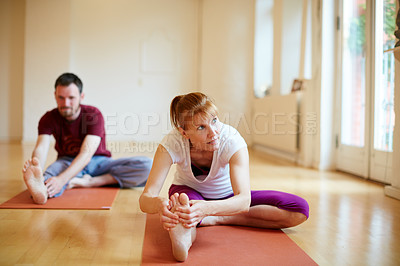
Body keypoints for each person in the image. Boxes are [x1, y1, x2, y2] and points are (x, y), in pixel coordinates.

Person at [139, 92, 309, 262]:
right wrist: (159, 204)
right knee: (184, 208)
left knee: (300, 209)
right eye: (201, 127)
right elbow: (145, 198)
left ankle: (214, 219)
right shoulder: (171, 143)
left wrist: (208, 210)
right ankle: (185, 230)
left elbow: (243, 200)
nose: (213, 133)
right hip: (189, 193)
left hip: (228, 198)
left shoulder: (232, 140)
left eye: (214, 120)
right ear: (184, 133)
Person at [22, 73, 152, 204]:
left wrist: (61, 180)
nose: (66, 103)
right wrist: (36, 165)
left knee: (148, 166)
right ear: (55, 95)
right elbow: (41, 147)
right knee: (47, 177)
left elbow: (86, 154)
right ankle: (42, 192)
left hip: (98, 163)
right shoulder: (48, 118)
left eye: (71, 98)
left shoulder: (93, 115)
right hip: (66, 162)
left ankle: (91, 182)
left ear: (81, 96)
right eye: (61, 97)